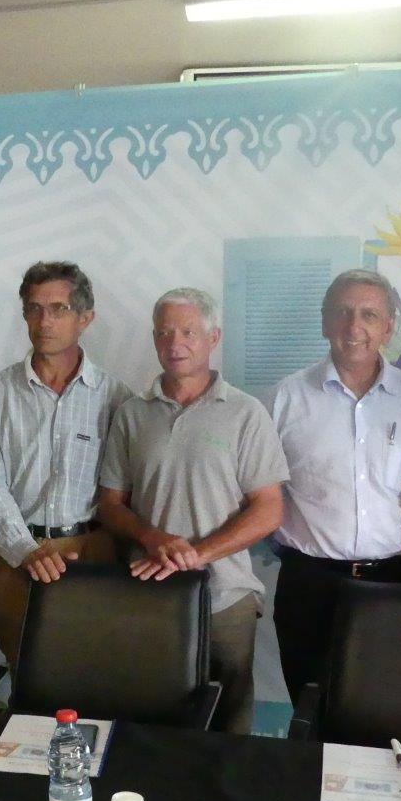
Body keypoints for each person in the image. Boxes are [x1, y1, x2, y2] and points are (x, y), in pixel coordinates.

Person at [99, 288, 288, 734]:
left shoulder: (246, 413)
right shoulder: (131, 414)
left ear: (213, 337)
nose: (174, 342)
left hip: (226, 596)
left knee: (230, 721)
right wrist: (153, 538)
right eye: (164, 333)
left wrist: (197, 555)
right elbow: (110, 506)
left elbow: (268, 510)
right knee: (153, 717)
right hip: (149, 593)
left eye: (188, 331)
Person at [267, 270, 401, 703]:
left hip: (397, 581)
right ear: (325, 322)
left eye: (369, 315)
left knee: (389, 708)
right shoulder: (283, 400)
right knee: (311, 707)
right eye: (343, 313)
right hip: (310, 584)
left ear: (388, 327)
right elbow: (257, 495)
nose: (355, 327)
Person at [0, 261, 132, 669]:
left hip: (93, 554)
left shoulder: (116, 397)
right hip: (17, 558)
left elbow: (127, 492)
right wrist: (26, 550)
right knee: (25, 677)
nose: (45, 321)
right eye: (34, 309)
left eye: (58, 309)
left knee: (97, 675)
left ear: (85, 318)